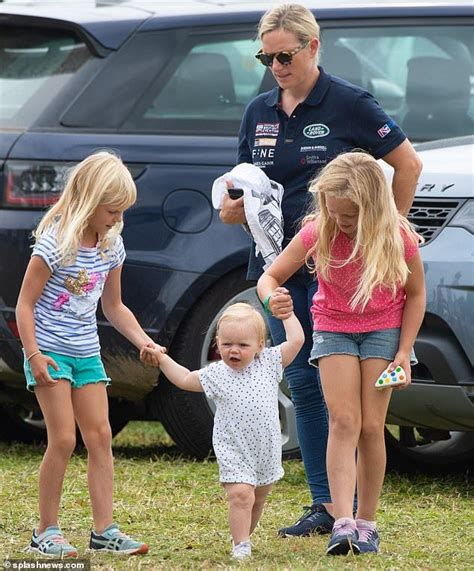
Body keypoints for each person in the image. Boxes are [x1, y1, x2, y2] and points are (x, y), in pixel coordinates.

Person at [219, 3, 423, 537]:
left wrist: (388, 235)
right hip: (279, 262)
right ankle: (328, 506)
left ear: (313, 47)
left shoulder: (350, 102)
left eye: (285, 55)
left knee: (354, 404)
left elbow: (408, 163)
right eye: (267, 57)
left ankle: (353, 511)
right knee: (306, 385)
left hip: (343, 266)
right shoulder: (259, 110)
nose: (276, 66)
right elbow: (243, 181)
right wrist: (231, 208)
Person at [257, 151, 426, 555]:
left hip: (382, 331)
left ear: (372, 208)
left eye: (349, 217)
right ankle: (342, 520)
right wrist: (272, 299)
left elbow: (416, 294)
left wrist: (404, 351)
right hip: (333, 328)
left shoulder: (397, 236)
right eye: (334, 214)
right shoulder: (319, 230)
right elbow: (271, 276)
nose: (341, 223)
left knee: (371, 427)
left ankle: (367, 522)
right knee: (343, 420)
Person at [16, 151, 164, 557]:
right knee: (63, 438)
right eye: (112, 210)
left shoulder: (110, 246)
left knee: (99, 437)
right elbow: (24, 305)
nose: (117, 219)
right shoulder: (54, 245)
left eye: (121, 212)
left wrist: (143, 342)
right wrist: (33, 355)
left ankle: (105, 531)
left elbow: (113, 307)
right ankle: (45, 530)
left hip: (86, 354)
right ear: (88, 199)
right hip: (50, 353)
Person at [141, 301, 304, 559]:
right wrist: (162, 358)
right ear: (217, 342)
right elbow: (184, 378)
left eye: (243, 345)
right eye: (227, 344)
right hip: (234, 449)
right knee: (241, 495)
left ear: (260, 345)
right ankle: (241, 546)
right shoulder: (217, 374)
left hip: (266, 448)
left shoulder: (269, 362)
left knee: (257, 497)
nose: (234, 351)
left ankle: (244, 537)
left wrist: (287, 315)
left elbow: (296, 341)